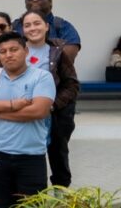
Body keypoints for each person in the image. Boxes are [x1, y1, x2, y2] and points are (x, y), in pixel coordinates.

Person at [0, 32, 54, 208]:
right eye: (3, 51)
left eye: (14, 49)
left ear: (26, 51)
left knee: (32, 205)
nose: (8, 55)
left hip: (30, 156)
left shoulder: (42, 76)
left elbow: (38, 111)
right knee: (1, 204)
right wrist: (13, 104)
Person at [19, 10, 81, 188]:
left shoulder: (57, 53)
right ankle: (31, 195)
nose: (33, 28)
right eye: (27, 25)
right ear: (22, 30)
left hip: (52, 116)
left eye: (37, 23)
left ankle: (60, 195)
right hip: (22, 113)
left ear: (46, 27)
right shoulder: (15, 50)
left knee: (57, 155)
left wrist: (52, 105)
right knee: (28, 157)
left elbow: (72, 85)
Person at [12, 0, 81, 62]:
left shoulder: (62, 26)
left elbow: (67, 58)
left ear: (50, 1)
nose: (34, 0)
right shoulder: (15, 25)